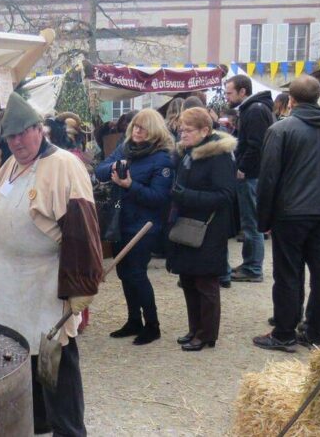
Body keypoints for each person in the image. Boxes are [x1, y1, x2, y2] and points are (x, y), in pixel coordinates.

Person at [0, 93, 103, 436]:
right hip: (10, 288)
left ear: (40, 129)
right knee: (23, 362)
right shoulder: (8, 167)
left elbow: (83, 232)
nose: (17, 141)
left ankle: (68, 431)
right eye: (11, 136)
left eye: (24, 132)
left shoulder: (64, 165)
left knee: (56, 366)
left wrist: (81, 288)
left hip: (45, 288)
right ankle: (36, 425)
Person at [253, 75, 320, 351]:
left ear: (291, 100)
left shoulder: (282, 130)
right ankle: (316, 330)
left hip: (291, 213)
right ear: (319, 95)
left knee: (288, 272)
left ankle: (284, 332)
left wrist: (264, 217)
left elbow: (268, 178)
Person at [95, 109, 174, 345]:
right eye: (136, 126)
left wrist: (130, 185)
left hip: (144, 225)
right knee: (123, 273)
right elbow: (100, 170)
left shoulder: (162, 158)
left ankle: (152, 325)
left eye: (143, 127)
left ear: (154, 131)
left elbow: (159, 198)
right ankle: (133, 320)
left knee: (137, 274)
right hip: (122, 220)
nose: (137, 131)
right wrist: (113, 169)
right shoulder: (125, 147)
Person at [167, 108, 237, 352]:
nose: (182, 134)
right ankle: (194, 328)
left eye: (187, 130)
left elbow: (225, 195)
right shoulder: (188, 153)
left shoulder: (219, 155)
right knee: (188, 279)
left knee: (206, 283)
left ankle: (207, 334)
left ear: (205, 131)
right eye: (180, 129)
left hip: (209, 228)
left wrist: (187, 196)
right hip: (187, 225)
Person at [224, 74, 274, 283]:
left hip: (251, 175)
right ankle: (250, 263)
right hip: (252, 173)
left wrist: (243, 167)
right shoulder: (254, 109)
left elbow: (256, 144)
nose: (226, 97)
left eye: (229, 93)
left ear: (242, 91)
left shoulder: (255, 110)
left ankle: (253, 267)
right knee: (249, 221)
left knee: (251, 222)